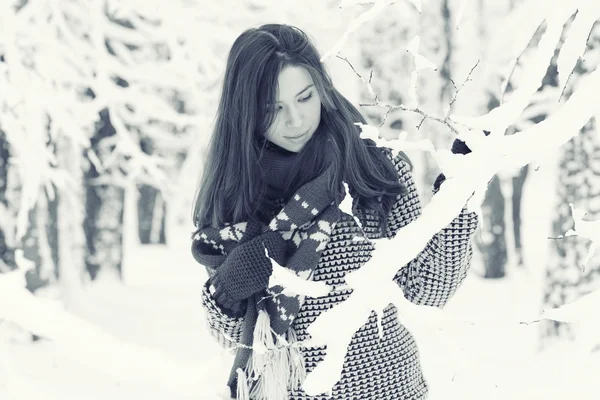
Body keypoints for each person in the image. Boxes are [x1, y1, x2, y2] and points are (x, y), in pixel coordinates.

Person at [191, 23, 479, 400]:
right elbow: (232, 340)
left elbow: (425, 291)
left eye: (304, 98)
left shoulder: (374, 168)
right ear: (244, 112)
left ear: (322, 88)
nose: (294, 120)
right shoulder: (234, 193)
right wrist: (227, 293)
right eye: (272, 108)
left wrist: (457, 201)